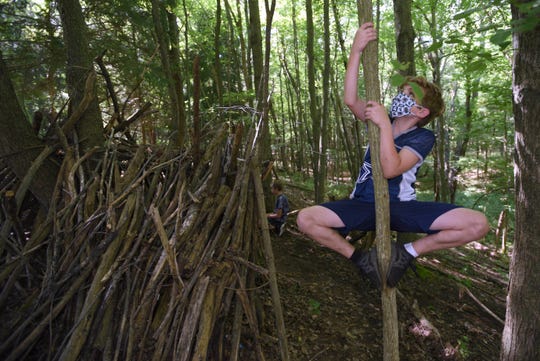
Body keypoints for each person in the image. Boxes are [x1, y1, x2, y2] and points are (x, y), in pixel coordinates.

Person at [296, 22, 489, 289]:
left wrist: (384, 125)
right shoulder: (379, 121)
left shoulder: (422, 136)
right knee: (306, 219)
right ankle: (361, 259)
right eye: (402, 91)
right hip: (362, 204)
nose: (401, 96)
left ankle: (407, 253)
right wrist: (356, 50)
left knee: (477, 224)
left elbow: (390, 169)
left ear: (421, 112)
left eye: (409, 95)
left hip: (400, 207)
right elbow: (351, 100)